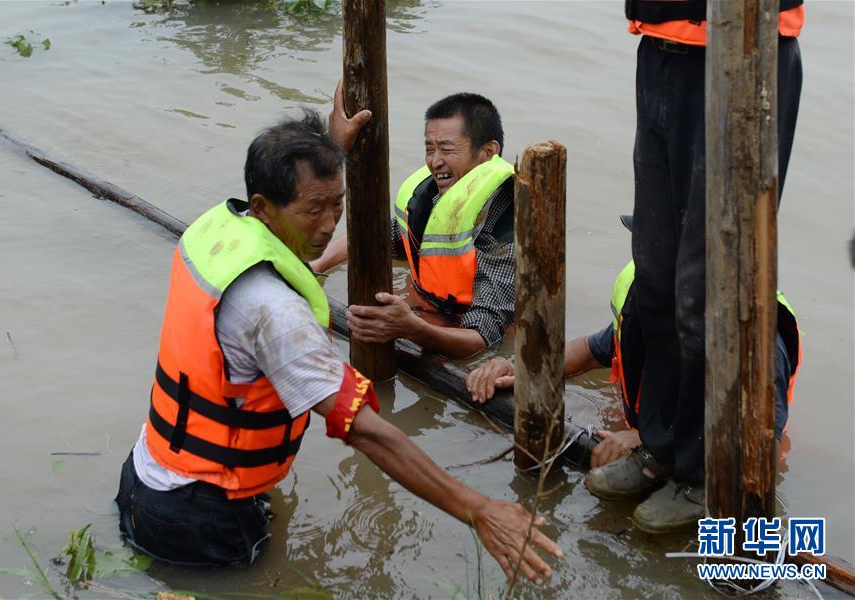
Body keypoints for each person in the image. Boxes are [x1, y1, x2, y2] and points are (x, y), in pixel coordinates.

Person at [114, 109, 561, 583]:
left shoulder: (215, 229)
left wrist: (332, 142)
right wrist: (480, 510)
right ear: (264, 207)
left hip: (146, 472)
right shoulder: (277, 312)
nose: (329, 225)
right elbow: (366, 431)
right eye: (314, 211)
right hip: (198, 513)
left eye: (337, 205)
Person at [608, 0, 805, 531]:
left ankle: (709, 474)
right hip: (660, 48)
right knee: (655, 275)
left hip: (744, 53)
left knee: (710, 287)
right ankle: (662, 448)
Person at [466, 252, 801, 530]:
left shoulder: (754, 337)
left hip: (731, 447)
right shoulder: (648, 292)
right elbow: (590, 350)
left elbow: (762, 449)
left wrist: (647, 439)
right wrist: (526, 370)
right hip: (662, 428)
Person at [311, 86, 515, 359]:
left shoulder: (506, 230)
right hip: (424, 308)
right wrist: (317, 265)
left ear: (489, 152)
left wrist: (411, 328)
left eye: (446, 149)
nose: (435, 161)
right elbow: (380, 237)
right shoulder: (435, 196)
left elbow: (482, 338)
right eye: (430, 148)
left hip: (465, 337)